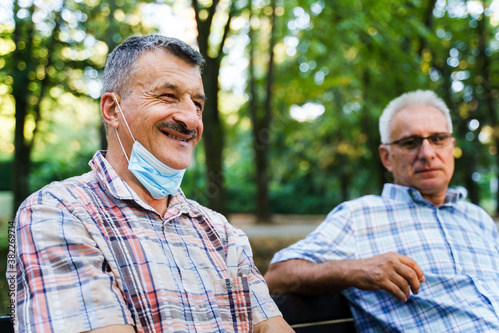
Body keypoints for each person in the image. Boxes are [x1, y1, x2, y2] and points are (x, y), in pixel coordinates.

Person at [13, 35, 293, 333]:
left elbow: (271, 326)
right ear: (112, 110)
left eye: (197, 104)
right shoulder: (57, 213)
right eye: (168, 96)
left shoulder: (221, 232)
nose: (190, 119)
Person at [265, 90, 499, 332]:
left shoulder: (477, 217)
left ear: (451, 146)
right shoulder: (360, 216)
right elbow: (277, 276)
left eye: (438, 138)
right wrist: (356, 270)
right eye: (410, 142)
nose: (428, 153)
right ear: (387, 157)